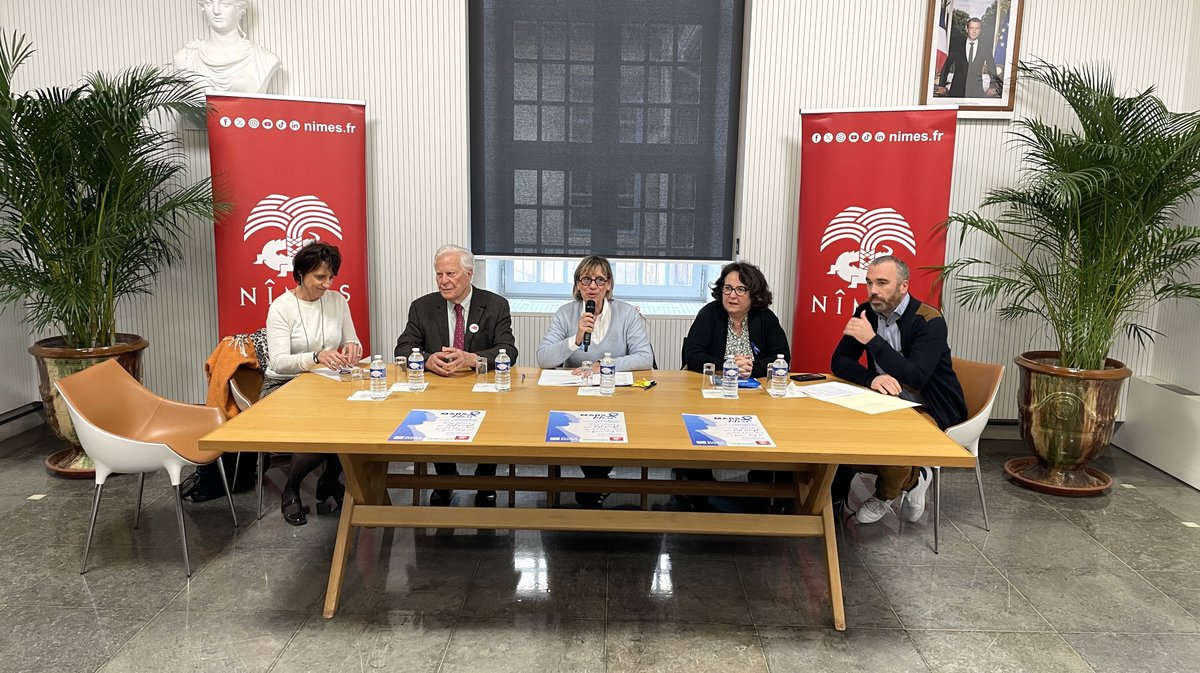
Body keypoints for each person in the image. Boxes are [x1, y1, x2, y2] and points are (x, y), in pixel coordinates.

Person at [830, 255, 966, 525]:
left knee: (892, 441)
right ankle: (913, 479)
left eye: (882, 283)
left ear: (903, 287)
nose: (873, 291)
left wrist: (873, 340)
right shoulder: (866, 312)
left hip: (930, 405)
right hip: (884, 402)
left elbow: (916, 377)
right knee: (837, 431)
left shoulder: (929, 320)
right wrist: (871, 379)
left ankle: (886, 493)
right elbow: (839, 361)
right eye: (869, 283)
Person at [395, 244, 518, 508]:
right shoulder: (422, 307)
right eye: (439, 275)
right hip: (440, 389)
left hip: (480, 388)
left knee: (493, 415)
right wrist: (427, 360)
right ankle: (445, 479)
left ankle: (485, 481)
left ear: (469, 274)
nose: (444, 281)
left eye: (450, 274)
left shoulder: (495, 305)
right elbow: (403, 349)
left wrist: (473, 359)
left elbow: (508, 351)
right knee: (432, 416)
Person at [537, 255, 654, 508]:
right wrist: (576, 339)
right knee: (582, 423)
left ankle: (595, 482)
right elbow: (543, 359)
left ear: (609, 285)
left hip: (616, 394)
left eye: (600, 280)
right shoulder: (565, 313)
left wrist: (605, 367)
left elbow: (645, 357)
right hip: (576, 397)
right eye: (586, 279)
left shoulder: (626, 313)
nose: (593, 286)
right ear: (578, 284)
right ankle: (596, 482)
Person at [263, 242, 362, 526]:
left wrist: (353, 347)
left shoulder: (337, 301)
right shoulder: (282, 307)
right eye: (320, 277)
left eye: (331, 277)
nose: (327, 284)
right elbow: (279, 361)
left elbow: (351, 339)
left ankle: (330, 481)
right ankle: (291, 488)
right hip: (284, 385)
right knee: (323, 427)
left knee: (357, 419)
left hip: (325, 384)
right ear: (300, 274)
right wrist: (317, 356)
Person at [679, 261, 791, 510]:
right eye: (727, 289)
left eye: (740, 290)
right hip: (711, 394)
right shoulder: (710, 314)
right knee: (698, 427)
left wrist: (755, 368)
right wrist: (725, 365)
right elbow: (693, 355)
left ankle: (764, 488)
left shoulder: (765, 318)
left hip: (756, 398)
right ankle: (698, 487)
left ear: (754, 294)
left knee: (776, 428)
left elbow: (782, 355)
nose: (732, 295)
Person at [174, 0, 281, 94]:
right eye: (209, 3)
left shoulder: (265, 60)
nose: (216, 11)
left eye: (225, 4)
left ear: (239, 9)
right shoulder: (186, 57)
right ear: (203, 7)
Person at [935, 17, 998, 98]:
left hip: (976, 91)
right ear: (967, 29)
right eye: (972, 28)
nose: (974, 31)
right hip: (956, 91)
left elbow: (991, 67)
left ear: (980, 30)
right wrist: (942, 85)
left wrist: (993, 86)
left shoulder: (985, 48)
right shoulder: (957, 46)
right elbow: (947, 65)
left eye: (977, 28)